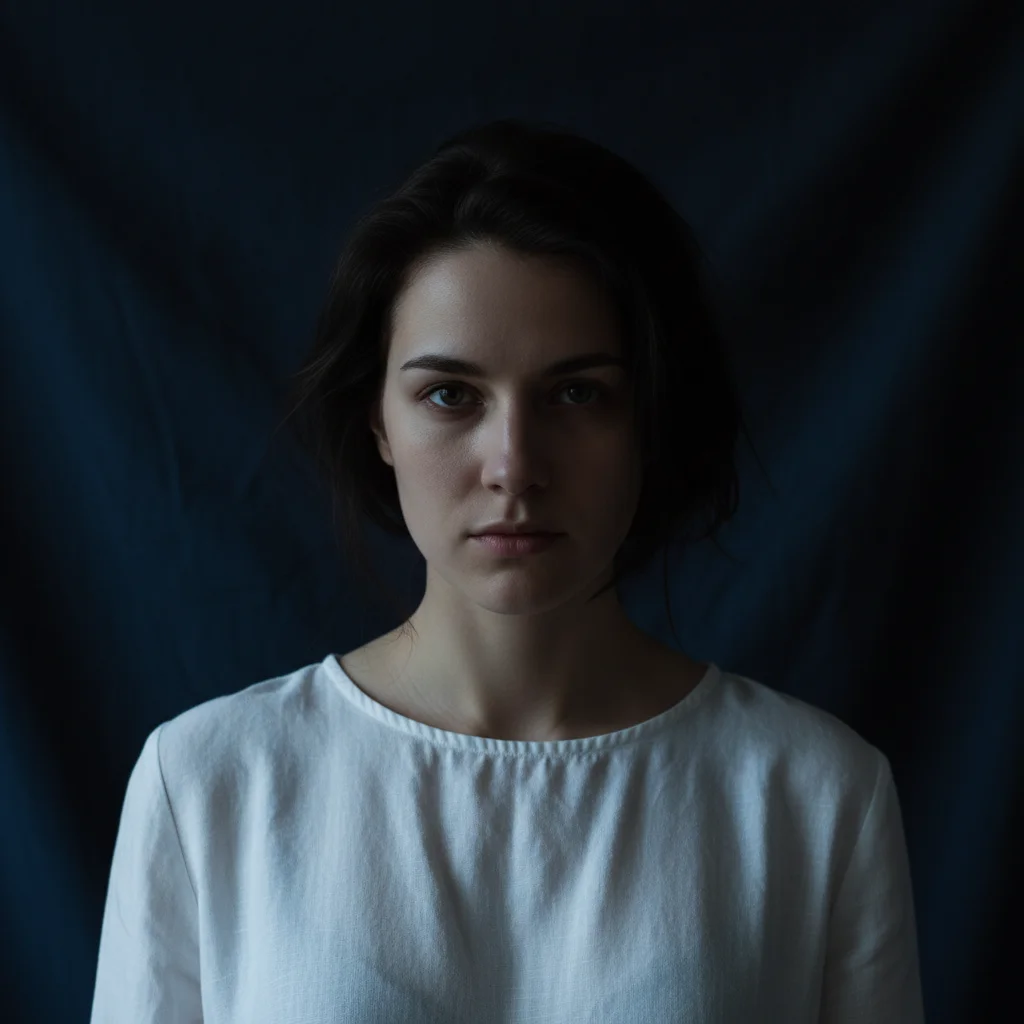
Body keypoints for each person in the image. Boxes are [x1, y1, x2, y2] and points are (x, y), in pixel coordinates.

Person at [90, 118, 925, 1022]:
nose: (514, 463)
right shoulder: (210, 784)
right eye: (450, 395)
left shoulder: (815, 797)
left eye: (578, 394)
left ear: (650, 415)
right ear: (378, 420)